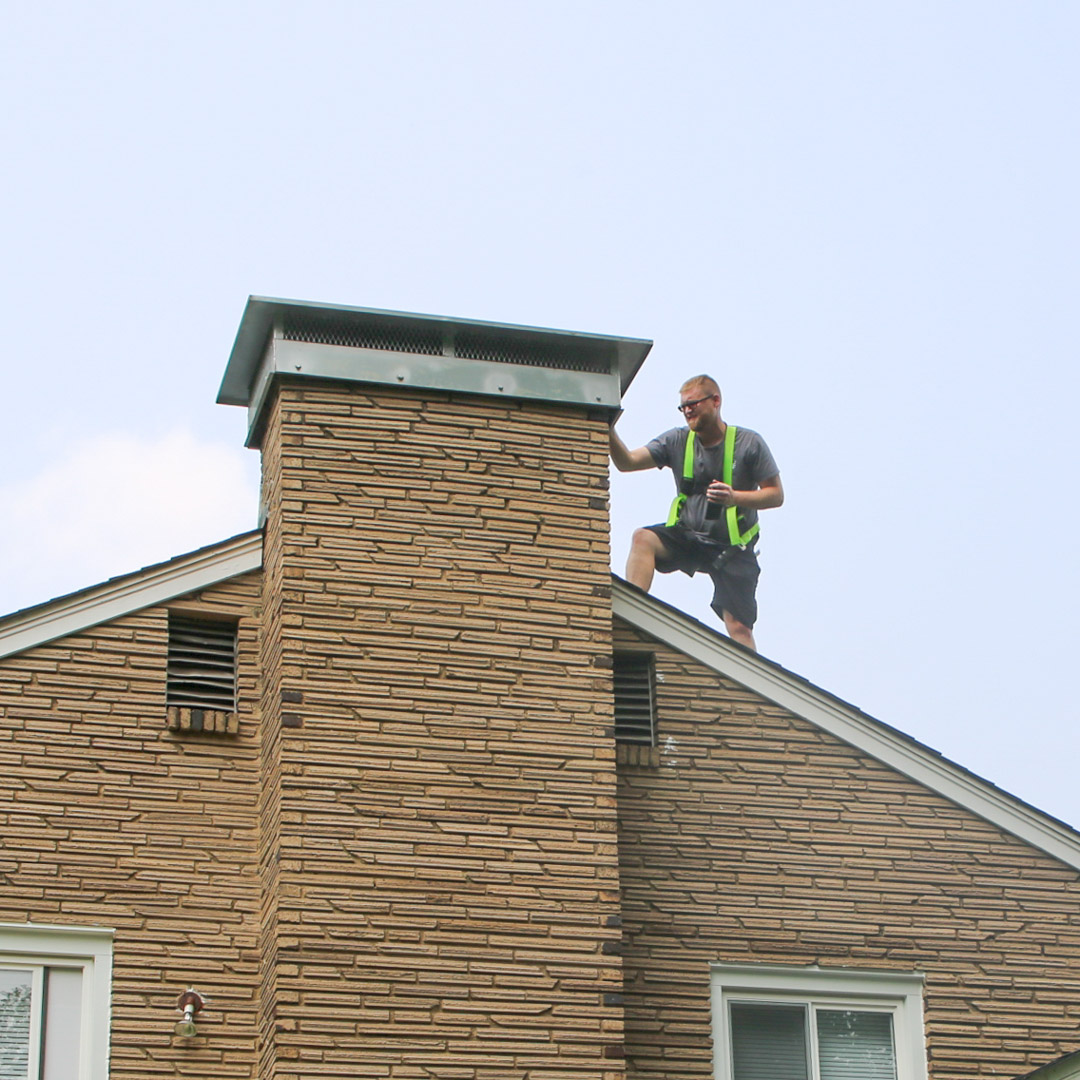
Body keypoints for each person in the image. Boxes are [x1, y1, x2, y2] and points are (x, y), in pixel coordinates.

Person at [610, 375, 783, 651]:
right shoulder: (677, 440)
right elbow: (626, 462)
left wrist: (734, 497)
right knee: (643, 538)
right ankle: (632, 616)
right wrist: (607, 427)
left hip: (733, 548)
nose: (687, 411)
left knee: (739, 627)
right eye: (683, 407)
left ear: (716, 401)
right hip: (689, 536)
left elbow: (776, 494)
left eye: (693, 404)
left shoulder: (749, 443)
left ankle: (748, 687)